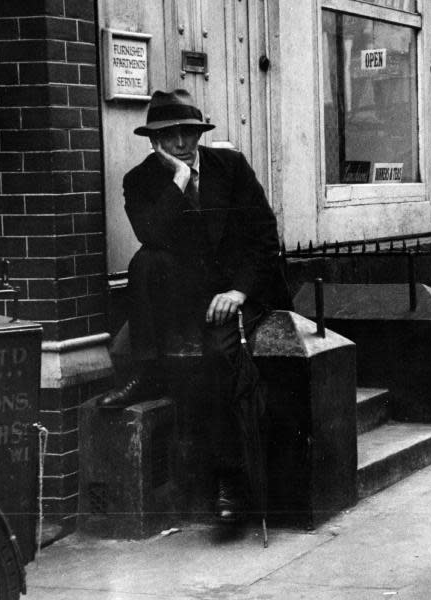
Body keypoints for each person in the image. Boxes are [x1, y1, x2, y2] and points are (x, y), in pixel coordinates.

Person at [98, 89, 290, 523]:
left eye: (189, 132)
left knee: (222, 355)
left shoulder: (232, 167)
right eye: (170, 136)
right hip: (187, 292)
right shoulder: (141, 180)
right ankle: (148, 368)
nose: (183, 143)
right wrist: (179, 180)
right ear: (154, 142)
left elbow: (264, 236)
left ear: (199, 133)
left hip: (240, 291)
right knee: (145, 260)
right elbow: (153, 235)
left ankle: (231, 480)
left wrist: (239, 292)